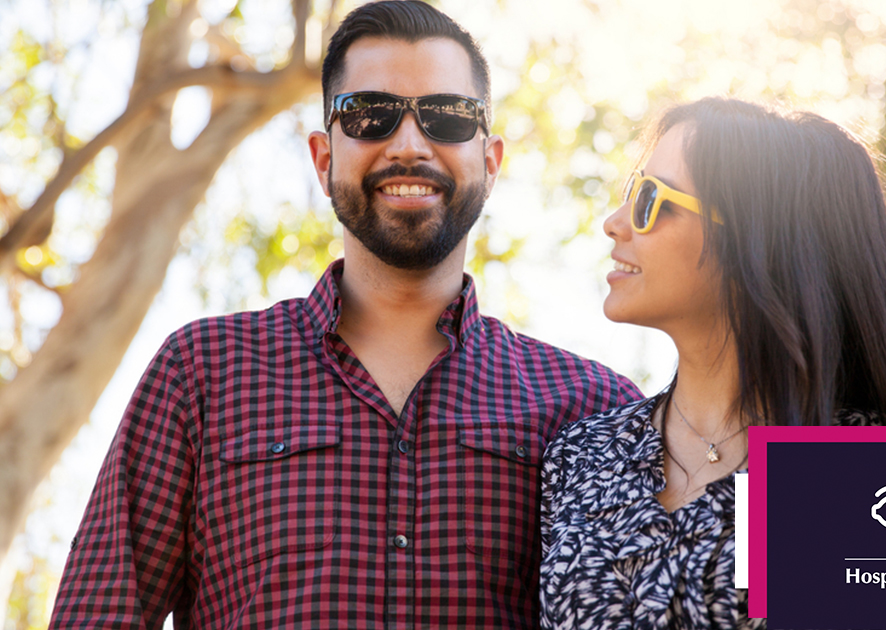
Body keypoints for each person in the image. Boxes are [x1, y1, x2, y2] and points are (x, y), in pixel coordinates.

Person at [50, 2, 640, 628]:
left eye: (446, 116)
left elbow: (755, 590)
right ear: (324, 157)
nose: (410, 146)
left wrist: (765, 421)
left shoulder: (594, 409)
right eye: (370, 116)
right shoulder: (201, 373)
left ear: (490, 162)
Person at [539, 98, 886, 629]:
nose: (615, 223)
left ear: (752, 237)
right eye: (631, 192)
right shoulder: (582, 455)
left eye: (650, 199)